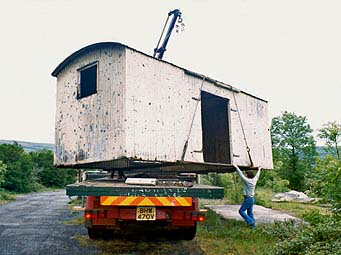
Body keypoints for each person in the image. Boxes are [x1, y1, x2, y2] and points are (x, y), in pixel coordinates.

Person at [233, 164, 261, 228]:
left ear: (247, 175)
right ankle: (253, 227)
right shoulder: (254, 180)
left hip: (248, 199)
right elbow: (257, 175)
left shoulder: (247, 181)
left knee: (241, 211)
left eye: (246, 174)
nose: (245, 175)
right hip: (251, 199)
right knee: (250, 213)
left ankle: (250, 221)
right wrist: (259, 169)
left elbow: (241, 175)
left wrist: (236, 167)